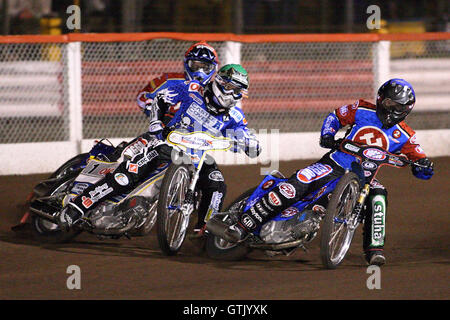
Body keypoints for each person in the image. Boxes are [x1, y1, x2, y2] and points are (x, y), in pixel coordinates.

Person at [217, 78, 434, 266]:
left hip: (366, 178)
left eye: (398, 106)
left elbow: (420, 160)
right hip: (334, 164)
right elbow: (334, 117)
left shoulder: (406, 135)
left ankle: (374, 250)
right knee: (298, 182)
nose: (391, 109)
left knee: (379, 196)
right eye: (388, 102)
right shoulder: (361, 109)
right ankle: (243, 225)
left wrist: (423, 166)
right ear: (380, 98)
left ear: (407, 109)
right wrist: (328, 135)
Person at [58, 64, 261, 239]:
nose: (235, 96)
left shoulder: (235, 115)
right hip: (166, 144)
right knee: (126, 176)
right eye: (232, 89)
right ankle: (78, 207)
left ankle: (204, 231)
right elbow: (161, 98)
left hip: (198, 157)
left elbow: (248, 137)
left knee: (217, 185)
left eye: (239, 92)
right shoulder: (193, 89)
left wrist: (251, 144)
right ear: (220, 83)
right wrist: (156, 122)